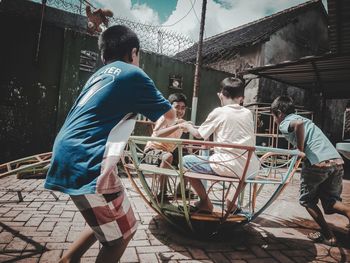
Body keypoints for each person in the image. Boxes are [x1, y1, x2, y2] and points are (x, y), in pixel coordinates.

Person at [44, 25, 175, 263]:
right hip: (90, 159)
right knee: (121, 235)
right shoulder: (134, 74)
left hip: (67, 151)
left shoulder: (98, 75)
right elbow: (170, 117)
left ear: (104, 55)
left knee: (111, 223)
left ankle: (68, 260)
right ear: (134, 52)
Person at [271, 96, 350, 246]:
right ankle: (349, 212)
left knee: (307, 201)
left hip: (317, 163)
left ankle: (329, 236)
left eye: (273, 117)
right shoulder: (306, 120)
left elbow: (298, 125)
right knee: (330, 203)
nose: (275, 121)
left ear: (279, 113)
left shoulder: (285, 122)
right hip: (336, 161)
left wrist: (300, 149)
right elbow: (302, 124)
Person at [182, 77, 259, 213]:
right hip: (250, 166)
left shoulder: (219, 111)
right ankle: (231, 201)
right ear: (241, 98)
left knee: (185, 161)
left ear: (221, 95)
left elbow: (199, 134)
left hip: (227, 165)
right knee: (241, 168)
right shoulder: (248, 113)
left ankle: (205, 202)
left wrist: (188, 126)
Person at [144, 93, 190, 200]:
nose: (180, 111)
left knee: (189, 160)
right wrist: (177, 126)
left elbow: (189, 130)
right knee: (168, 156)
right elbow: (158, 133)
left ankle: (180, 190)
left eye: (183, 108)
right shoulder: (166, 117)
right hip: (151, 151)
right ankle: (162, 192)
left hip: (168, 151)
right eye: (176, 107)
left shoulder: (181, 122)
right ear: (169, 107)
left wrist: (188, 126)